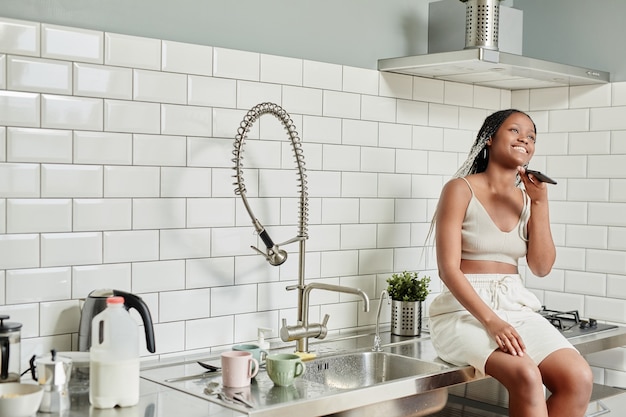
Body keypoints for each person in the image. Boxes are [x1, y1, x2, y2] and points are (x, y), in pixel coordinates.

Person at [428, 109, 593, 417]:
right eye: (515, 131)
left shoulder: (529, 199)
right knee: (527, 376)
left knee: (578, 377)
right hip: (463, 312)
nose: (524, 140)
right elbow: (448, 269)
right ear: (489, 139)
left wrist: (541, 203)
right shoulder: (460, 189)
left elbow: (541, 267)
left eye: (531, 136)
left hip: (515, 306)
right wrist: (493, 322)